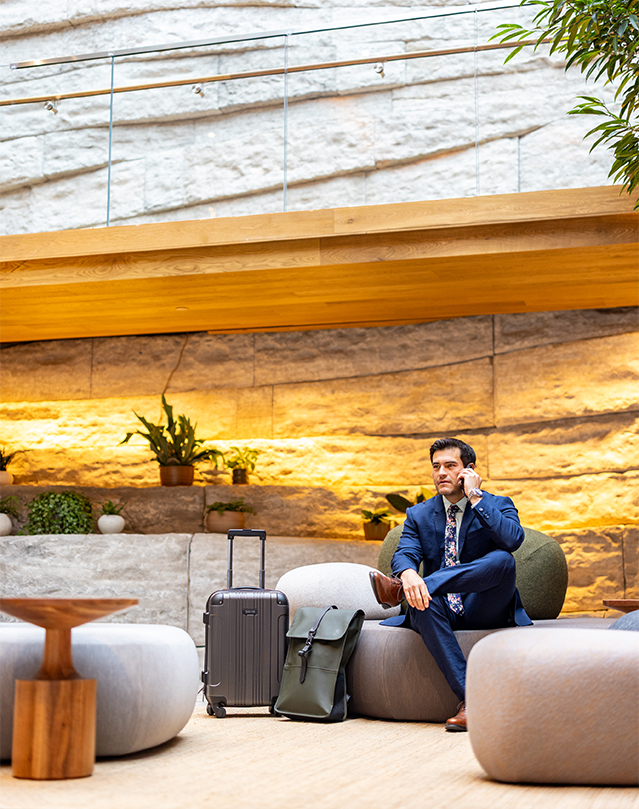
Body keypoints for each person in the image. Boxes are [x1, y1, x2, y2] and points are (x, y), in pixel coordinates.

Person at [369, 437, 531, 732]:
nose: (441, 473)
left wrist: (475, 497)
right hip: (439, 606)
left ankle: (406, 591)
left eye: (450, 465)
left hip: (482, 603)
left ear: (468, 470)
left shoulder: (496, 504)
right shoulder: (418, 514)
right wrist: (407, 574)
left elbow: (513, 540)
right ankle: (471, 699)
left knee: (502, 560)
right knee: (420, 601)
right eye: (436, 467)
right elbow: (405, 552)